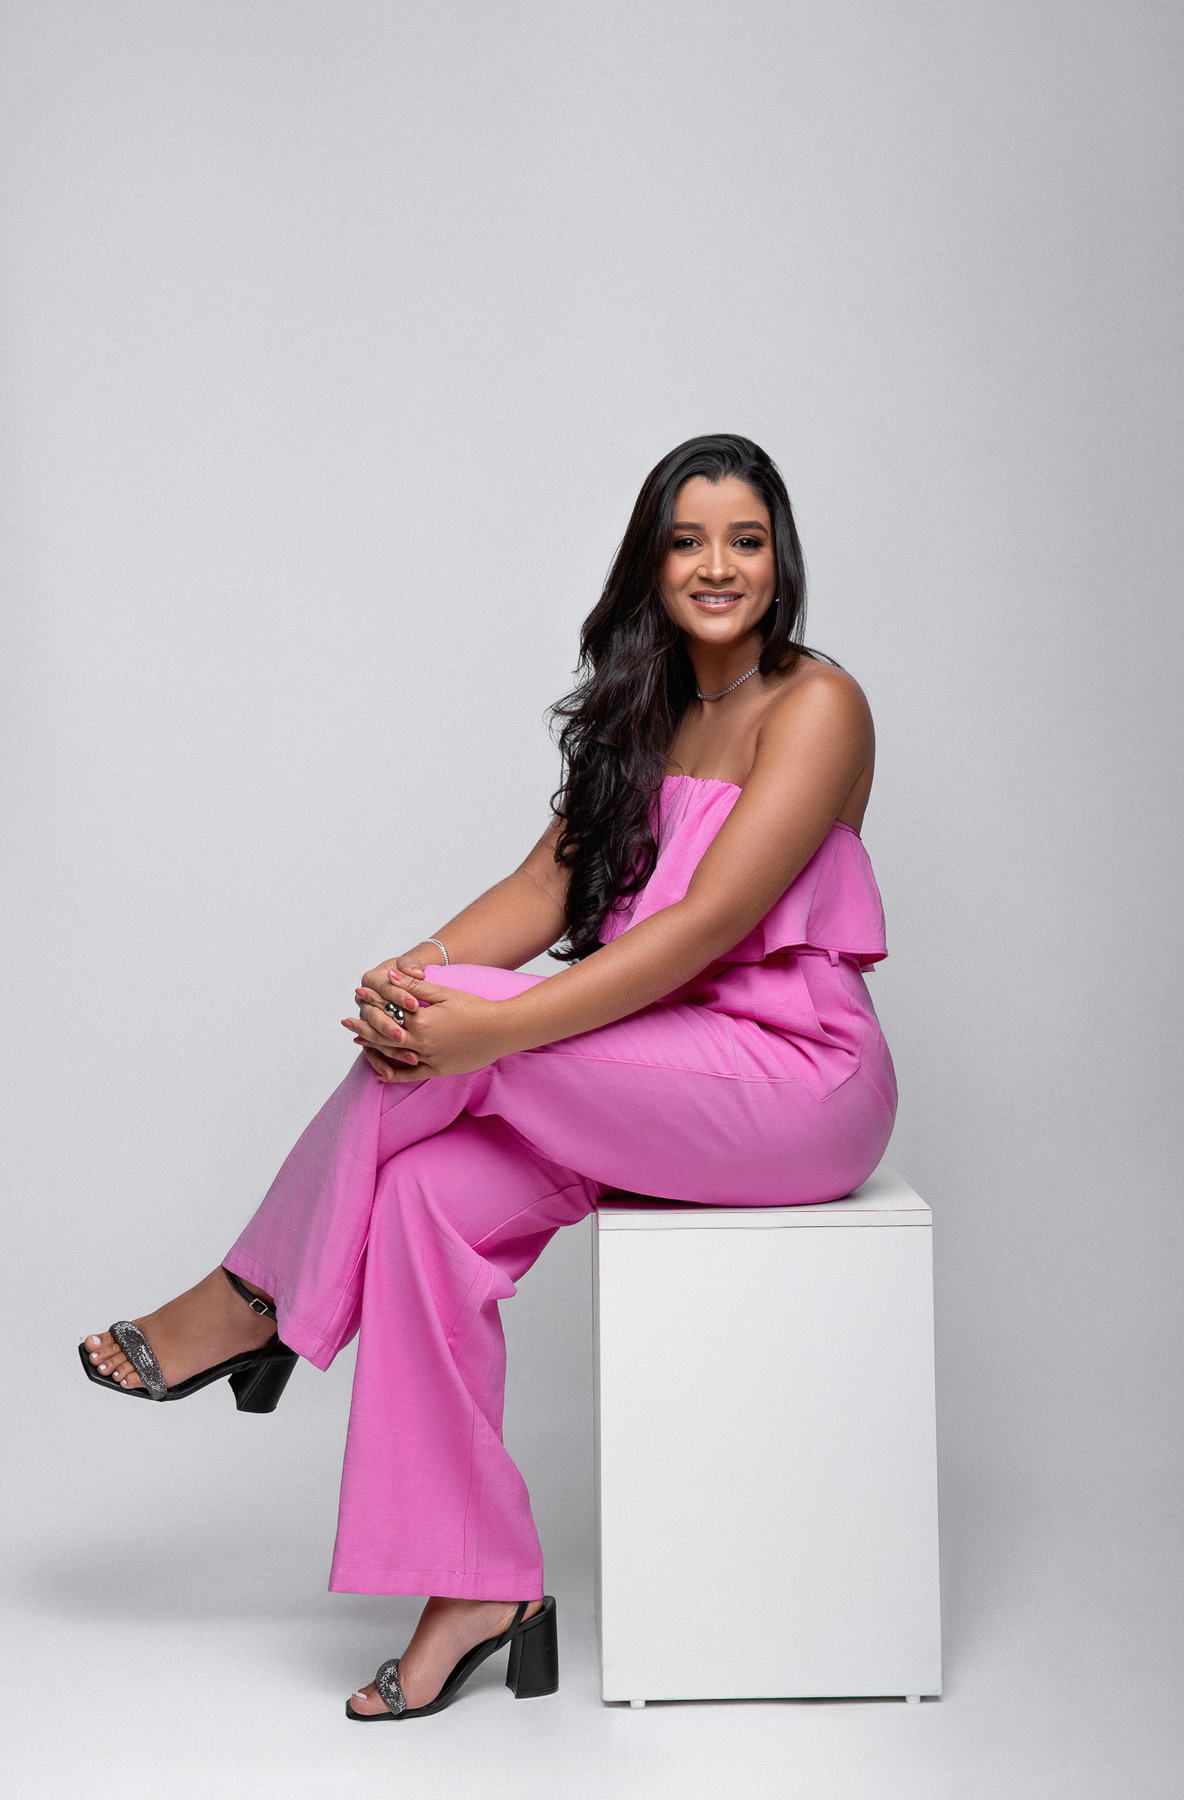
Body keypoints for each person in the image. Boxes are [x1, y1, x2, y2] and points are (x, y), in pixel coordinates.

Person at [80, 433, 897, 1721]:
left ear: (779, 559)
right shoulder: (646, 711)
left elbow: (706, 927)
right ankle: (474, 1587)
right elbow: (542, 889)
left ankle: (254, 1300)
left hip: (796, 1081)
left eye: (745, 540)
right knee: (423, 1199)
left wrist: (485, 1029)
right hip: (644, 1069)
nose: (717, 566)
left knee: (460, 1036)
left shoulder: (818, 703)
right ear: (650, 562)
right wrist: (417, 971)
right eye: (687, 540)